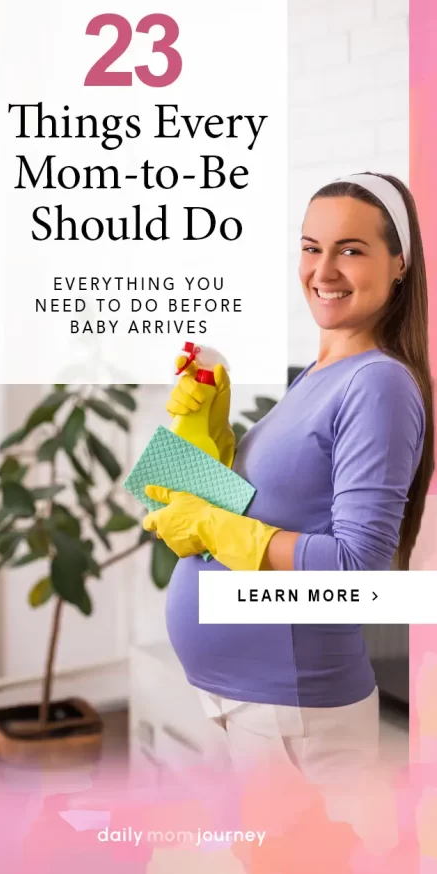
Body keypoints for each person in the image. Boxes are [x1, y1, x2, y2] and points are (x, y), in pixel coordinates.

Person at [142, 172, 434, 804]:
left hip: (295, 715)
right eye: (310, 247)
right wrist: (204, 426)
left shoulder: (378, 385)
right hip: (248, 701)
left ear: (400, 264)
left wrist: (218, 530)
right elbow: (231, 503)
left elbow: (355, 564)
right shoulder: (321, 373)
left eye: (350, 250)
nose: (323, 269)